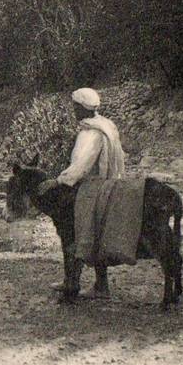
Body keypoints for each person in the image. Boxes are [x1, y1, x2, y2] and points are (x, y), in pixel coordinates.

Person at [38, 87, 126, 298]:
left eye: (75, 107)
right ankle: (98, 284)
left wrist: (58, 181)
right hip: (108, 183)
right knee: (96, 234)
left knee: (73, 232)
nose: (74, 111)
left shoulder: (91, 132)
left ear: (83, 108)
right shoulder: (106, 125)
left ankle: (74, 281)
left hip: (92, 187)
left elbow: (82, 165)